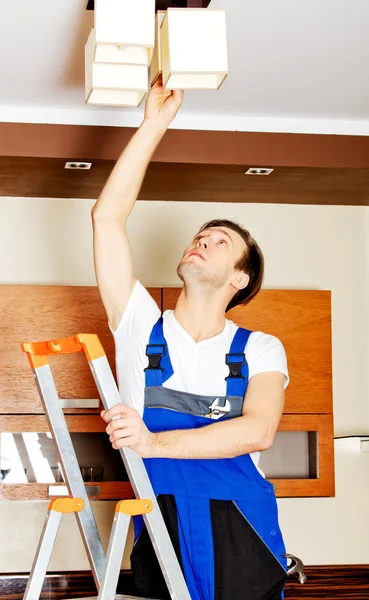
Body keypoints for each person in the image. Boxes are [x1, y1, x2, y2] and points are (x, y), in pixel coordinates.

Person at [92, 78, 289, 600]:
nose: (201, 240)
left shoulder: (260, 348)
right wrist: (154, 124)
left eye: (219, 242)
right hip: (162, 524)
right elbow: (107, 217)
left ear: (239, 279)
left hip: (243, 527)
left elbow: (258, 431)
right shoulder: (138, 325)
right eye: (200, 236)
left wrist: (154, 443)